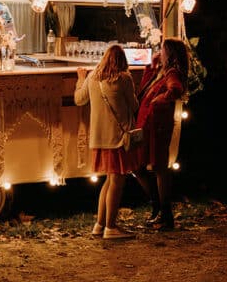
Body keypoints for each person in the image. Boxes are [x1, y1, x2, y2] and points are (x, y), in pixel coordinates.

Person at [74, 44, 139, 240]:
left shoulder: (93, 77)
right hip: (118, 139)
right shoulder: (124, 78)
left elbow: (79, 100)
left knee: (109, 181)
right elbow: (134, 105)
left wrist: (80, 80)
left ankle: (99, 224)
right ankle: (111, 227)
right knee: (117, 182)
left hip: (99, 138)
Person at [131, 37, 189, 229]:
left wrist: (161, 99)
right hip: (146, 123)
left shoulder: (172, 72)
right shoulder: (161, 71)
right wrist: (151, 65)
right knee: (139, 165)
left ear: (169, 53)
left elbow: (176, 89)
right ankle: (158, 208)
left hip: (157, 125)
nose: (159, 52)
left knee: (158, 166)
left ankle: (164, 213)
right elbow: (143, 89)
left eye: (162, 50)